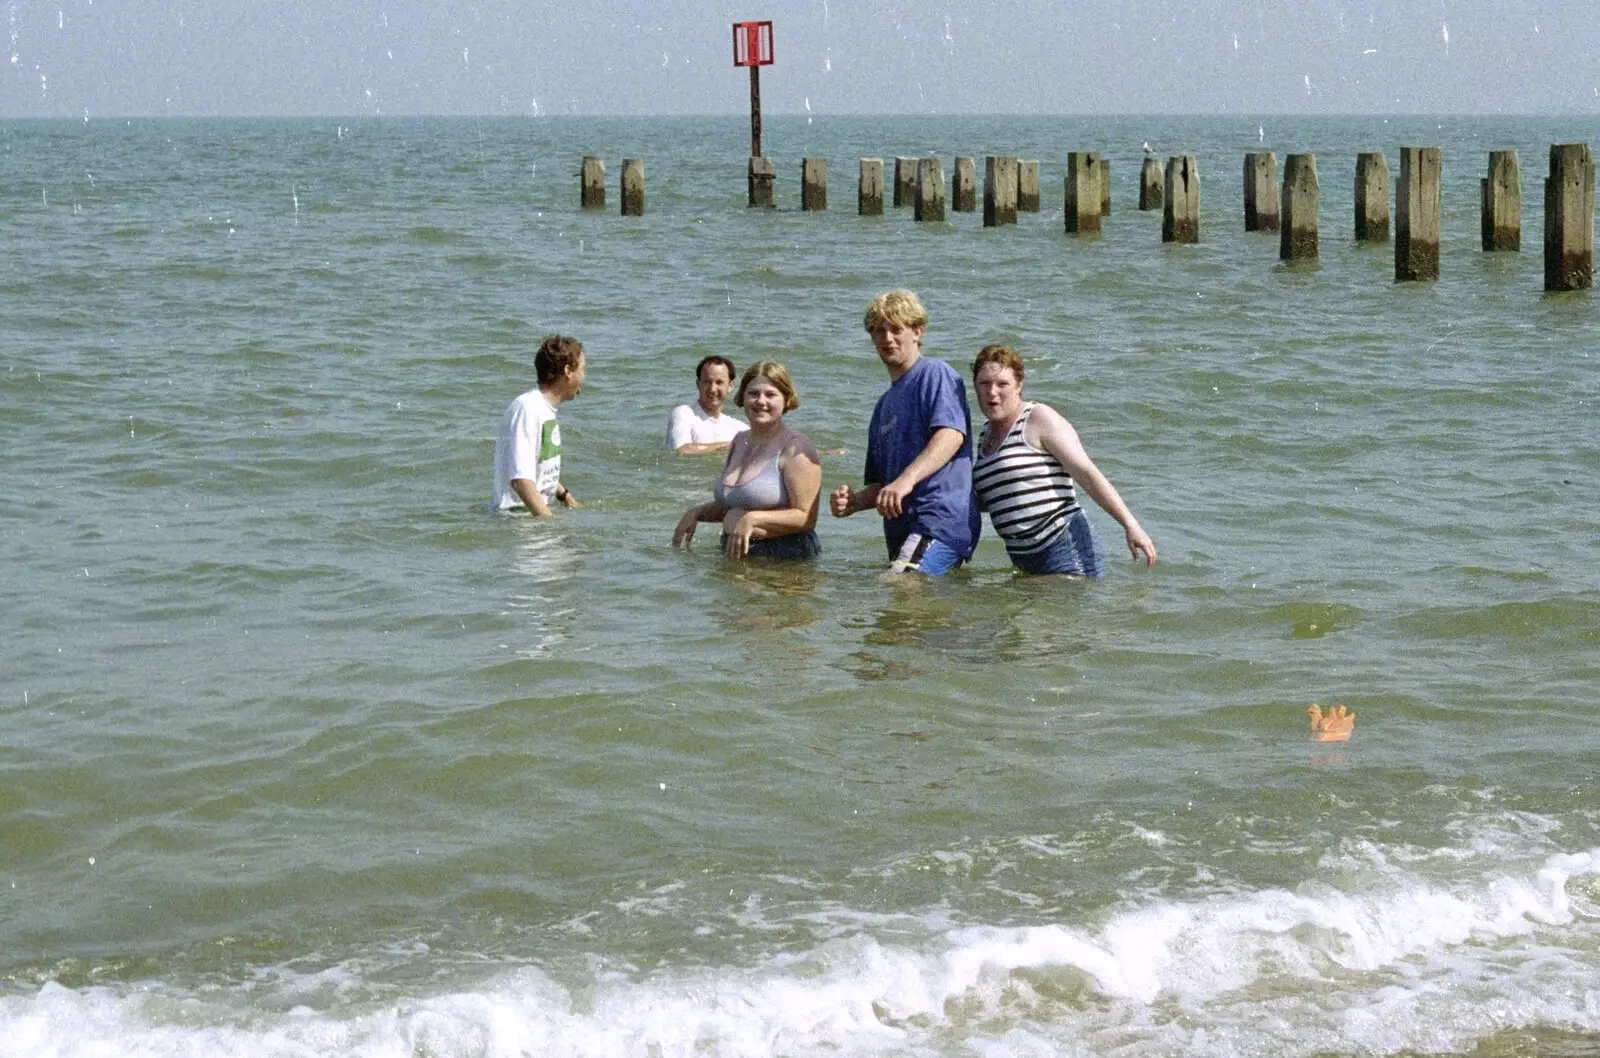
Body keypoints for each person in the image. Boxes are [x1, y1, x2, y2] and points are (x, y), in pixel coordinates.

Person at [969, 343, 1156, 575]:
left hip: (1064, 546)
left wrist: (1131, 525)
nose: (992, 392)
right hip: (1023, 558)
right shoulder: (986, 435)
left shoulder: (1038, 418)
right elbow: (1003, 498)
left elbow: (1087, 474)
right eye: (984, 383)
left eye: (1002, 384)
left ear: (1019, 385)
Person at [828, 289, 980, 574]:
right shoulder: (883, 406)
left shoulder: (935, 374)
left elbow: (951, 435)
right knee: (906, 614)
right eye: (878, 331)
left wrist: (906, 481)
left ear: (917, 332)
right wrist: (854, 502)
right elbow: (882, 485)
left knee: (900, 587)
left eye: (896, 329)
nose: (887, 338)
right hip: (902, 530)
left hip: (939, 519)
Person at [673, 360, 822, 559]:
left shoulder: (797, 447)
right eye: (753, 394)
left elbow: (806, 517)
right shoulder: (739, 440)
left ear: (786, 399)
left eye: (770, 395)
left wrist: (753, 519)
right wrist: (698, 512)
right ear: (742, 397)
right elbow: (738, 502)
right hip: (737, 556)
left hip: (785, 561)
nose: (761, 401)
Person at [491, 334, 585, 516]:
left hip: (533, 515)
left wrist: (564, 495)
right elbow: (521, 480)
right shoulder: (528, 409)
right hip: (519, 520)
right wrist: (549, 523)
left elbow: (538, 466)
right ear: (568, 371)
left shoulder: (543, 409)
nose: (584, 376)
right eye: (582, 369)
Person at [666, 355, 748, 453]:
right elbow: (681, 450)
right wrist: (731, 445)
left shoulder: (740, 429)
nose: (712, 389)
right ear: (698, 384)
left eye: (719, 382)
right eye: (707, 382)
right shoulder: (683, 414)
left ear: (730, 386)